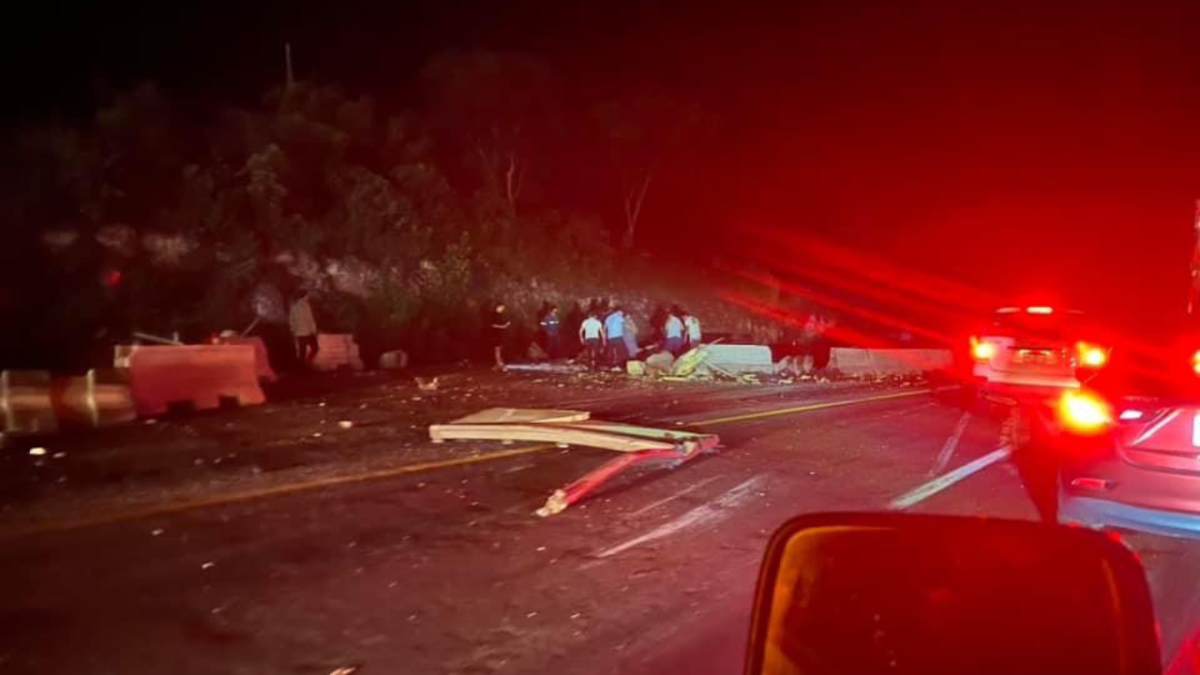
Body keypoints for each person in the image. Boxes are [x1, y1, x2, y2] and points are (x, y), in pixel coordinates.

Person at [289, 289, 320, 368]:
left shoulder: (294, 306)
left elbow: (291, 319)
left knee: (302, 351)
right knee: (315, 348)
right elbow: (310, 319)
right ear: (305, 296)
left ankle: (301, 367)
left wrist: (293, 330)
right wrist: (314, 330)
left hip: (299, 332)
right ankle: (307, 362)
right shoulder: (306, 305)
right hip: (308, 331)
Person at [489, 303, 511, 370]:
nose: (503, 309)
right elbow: (492, 325)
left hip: (500, 334)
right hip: (495, 335)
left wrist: (505, 325)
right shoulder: (494, 315)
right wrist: (503, 326)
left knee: (500, 349)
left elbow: (500, 324)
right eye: (502, 308)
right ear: (498, 307)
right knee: (497, 350)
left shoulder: (500, 315)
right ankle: (499, 364)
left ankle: (497, 365)